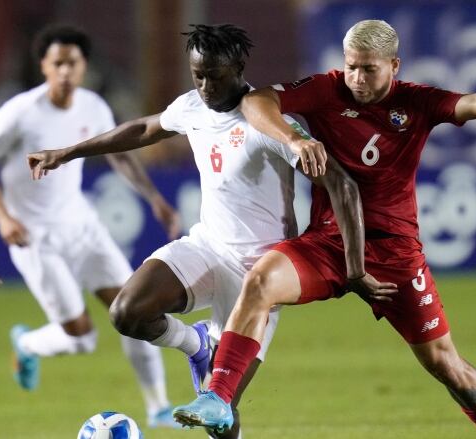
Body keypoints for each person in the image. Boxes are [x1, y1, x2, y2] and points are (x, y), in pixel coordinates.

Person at [173, 19, 476, 439]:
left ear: (394, 65)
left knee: (445, 364)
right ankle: (217, 397)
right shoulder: (327, 89)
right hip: (328, 243)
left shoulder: (417, 102)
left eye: (368, 69)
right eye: (351, 66)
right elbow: (257, 102)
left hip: (394, 255)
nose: (356, 78)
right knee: (260, 279)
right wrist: (295, 139)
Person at [28, 24, 387, 439]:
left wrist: (355, 269)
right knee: (127, 312)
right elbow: (143, 130)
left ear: (237, 68)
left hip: (258, 273)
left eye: (214, 75)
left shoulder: (269, 123)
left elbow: (341, 185)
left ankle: (213, 371)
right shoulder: (192, 108)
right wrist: (68, 153)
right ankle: (196, 344)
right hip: (207, 246)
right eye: (197, 74)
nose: (204, 86)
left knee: (220, 413)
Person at [0, 25, 183, 428]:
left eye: (73, 63)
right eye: (57, 63)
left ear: (84, 66)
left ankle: (157, 407)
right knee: (81, 337)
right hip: (35, 237)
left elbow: (119, 156)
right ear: (44, 66)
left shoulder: (94, 107)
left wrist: (154, 198)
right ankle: (28, 343)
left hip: (83, 227)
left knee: (136, 311)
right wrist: (2, 217)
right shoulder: (20, 112)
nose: (66, 71)